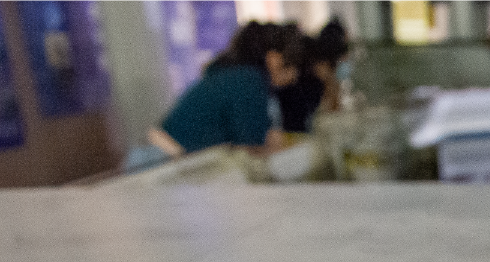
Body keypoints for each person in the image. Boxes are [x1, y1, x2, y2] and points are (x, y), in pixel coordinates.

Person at [150, 21, 305, 158]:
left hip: (157, 150)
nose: (294, 77)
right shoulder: (250, 82)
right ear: (274, 58)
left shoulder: (234, 72)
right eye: (293, 66)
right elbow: (250, 149)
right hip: (167, 158)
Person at [277, 18, 350, 133]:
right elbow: (334, 108)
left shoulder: (311, 57)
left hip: (293, 124)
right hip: (298, 126)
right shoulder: (321, 66)